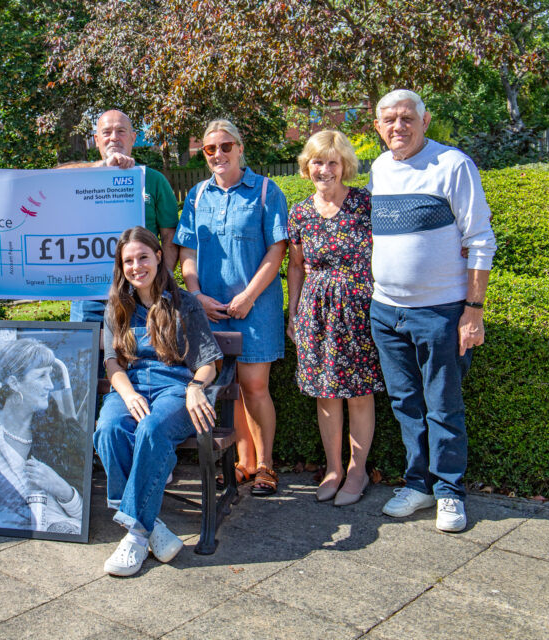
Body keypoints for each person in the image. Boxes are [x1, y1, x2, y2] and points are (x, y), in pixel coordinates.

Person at [368, 89, 496, 533]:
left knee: (443, 404)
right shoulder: (380, 169)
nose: (398, 126)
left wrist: (473, 311)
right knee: (406, 404)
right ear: (378, 126)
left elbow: (480, 239)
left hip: (440, 311)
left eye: (406, 118)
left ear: (424, 121)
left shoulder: (452, 165)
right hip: (386, 311)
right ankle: (419, 484)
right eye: (389, 119)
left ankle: (449, 492)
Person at [94, 226, 222, 576]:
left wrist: (196, 386)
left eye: (143, 258)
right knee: (108, 428)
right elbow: (111, 362)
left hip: (175, 388)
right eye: (129, 261)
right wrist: (128, 393)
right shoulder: (117, 306)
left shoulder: (185, 304)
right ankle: (152, 528)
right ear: (121, 266)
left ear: (159, 257)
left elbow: (208, 361)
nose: (137, 267)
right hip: (132, 386)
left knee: (151, 428)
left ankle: (135, 534)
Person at [174, 119, 289, 497]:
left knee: (255, 385)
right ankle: (243, 463)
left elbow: (277, 249)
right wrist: (195, 295)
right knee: (228, 387)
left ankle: (266, 466)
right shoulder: (196, 195)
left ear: (240, 148)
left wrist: (251, 295)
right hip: (210, 309)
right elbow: (187, 250)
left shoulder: (266, 191)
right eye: (210, 149)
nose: (219, 154)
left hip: (256, 307)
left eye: (226, 146)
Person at [286, 130, 384, 506]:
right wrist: (294, 312)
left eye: (331, 161)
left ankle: (358, 471)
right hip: (316, 309)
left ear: (344, 166)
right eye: (316, 161)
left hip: (359, 309)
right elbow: (296, 266)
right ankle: (333, 468)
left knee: (359, 393)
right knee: (326, 394)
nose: (324, 169)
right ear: (306, 166)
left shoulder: (364, 204)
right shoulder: (300, 212)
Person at [0, 339, 87, 534]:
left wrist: (62, 488)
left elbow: (84, 515)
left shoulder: (59, 432)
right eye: (41, 376)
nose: (50, 385)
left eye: (51, 375)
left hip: (66, 531)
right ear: (14, 383)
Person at [59, 109, 180, 322]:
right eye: (106, 132)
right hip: (90, 295)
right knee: (87, 354)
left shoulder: (154, 180)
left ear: (133, 137)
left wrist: (162, 281)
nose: (113, 137)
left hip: (140, 291)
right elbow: (50, 179)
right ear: (96, 140)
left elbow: (170, 237)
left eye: (121, 131)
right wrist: (101, 167)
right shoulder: (81, 176)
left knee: (141, 353)